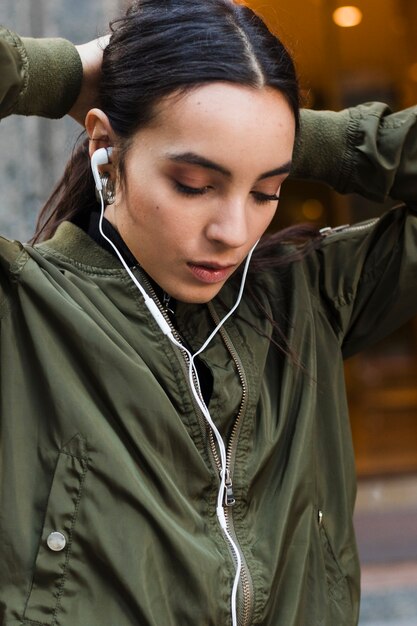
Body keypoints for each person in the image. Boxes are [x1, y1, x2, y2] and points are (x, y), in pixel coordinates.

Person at [0, 1, 416, 625]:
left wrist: (289, 134)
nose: (232, 230)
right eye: (195, 183)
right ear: (104, 146)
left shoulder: (312, 297)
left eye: (265, 191)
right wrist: (60, 72)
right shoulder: (21, 310)